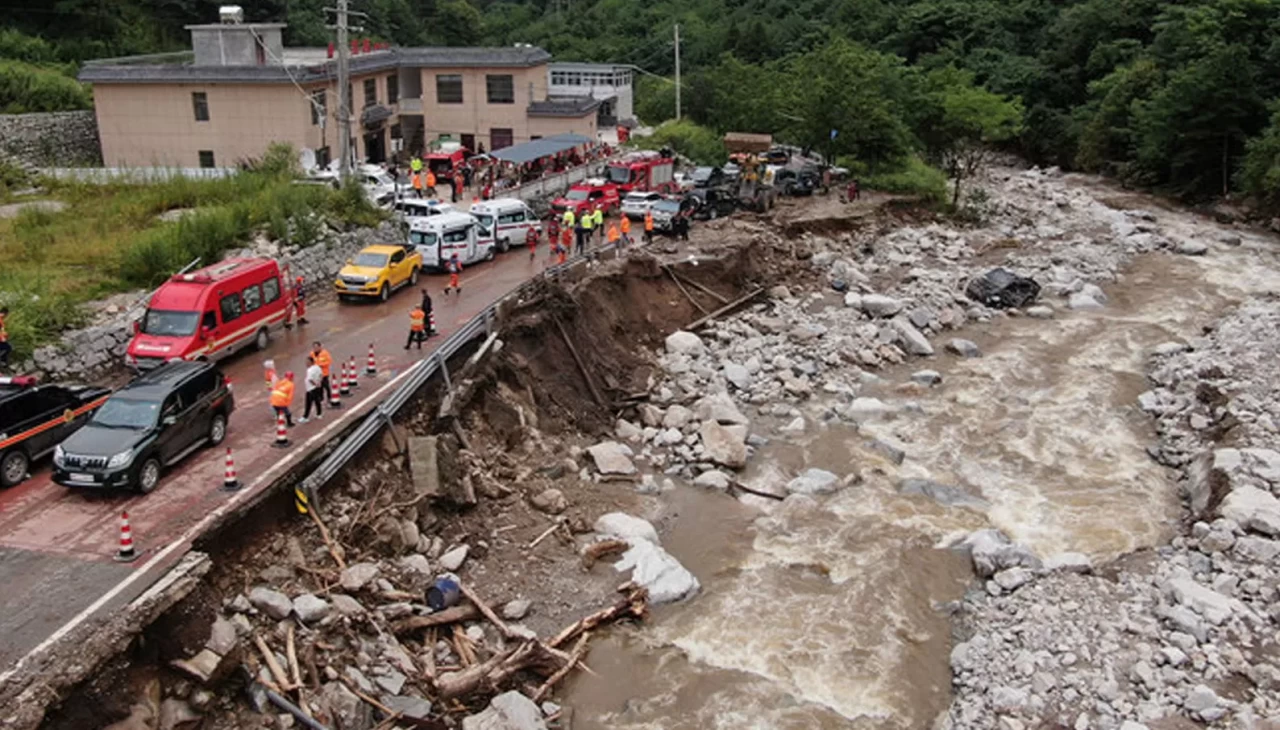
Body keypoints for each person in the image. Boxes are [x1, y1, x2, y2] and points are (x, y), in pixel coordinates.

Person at [298, 356, 324, 423]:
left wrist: (315, 384)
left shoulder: (310, 370)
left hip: (310, 389)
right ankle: (319, 414)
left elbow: (310, 379)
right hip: (316, 388)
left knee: (308, 404)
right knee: (317, 401)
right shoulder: (317, 367)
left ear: (310, 362)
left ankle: (305, 417)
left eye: (307, 362)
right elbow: (321, 375)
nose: (306, 363)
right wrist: (319, 382)